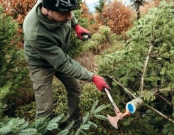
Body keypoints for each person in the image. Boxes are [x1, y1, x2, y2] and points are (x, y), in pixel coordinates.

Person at [23, 0, 110, 130]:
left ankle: (74, 124)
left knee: (75, 88)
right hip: (41, 65)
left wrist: (76, 26)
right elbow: (63, 63)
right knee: (45, 108)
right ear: (48, 11)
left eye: (71, 11)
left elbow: (67, 12)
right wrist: (93, 77)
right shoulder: (35, 31)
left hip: (60, 55)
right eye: (65, 14)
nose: (70, 16)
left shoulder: (57, 6)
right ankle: (42, 131)